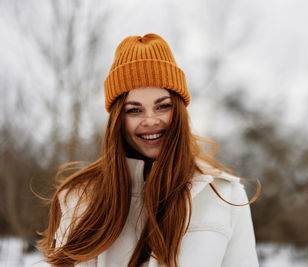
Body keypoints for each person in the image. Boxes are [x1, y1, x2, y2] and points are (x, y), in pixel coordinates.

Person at [38, 33, 260, 267]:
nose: (151, 120)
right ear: (117, 120)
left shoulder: (225, 194)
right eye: (134, 110)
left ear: (179, 111)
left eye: (162, 106)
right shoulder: (80, 197)